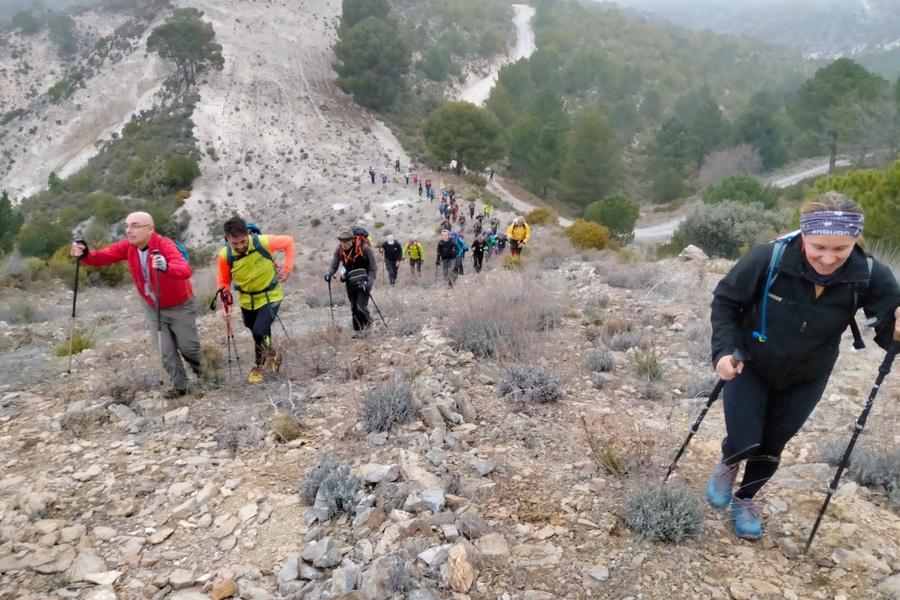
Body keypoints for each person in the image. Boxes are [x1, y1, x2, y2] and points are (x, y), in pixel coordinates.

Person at [705, 192, 900, 541]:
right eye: (819, 247)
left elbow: (888, 335)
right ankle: (729, 461)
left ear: (855, 241)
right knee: (744, 437)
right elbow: (726, 302)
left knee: (772, 446)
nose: (828, 258)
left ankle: (745, 499)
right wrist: (722, 350)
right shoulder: (769, 258)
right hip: (749, 362)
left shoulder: (869, 275)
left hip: (808, 375)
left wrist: (897, 327)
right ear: (804, 235)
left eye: (840, 250)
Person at [71, 212, 201, 398]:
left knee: (189, 348)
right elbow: (101, 257)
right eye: (127, 226)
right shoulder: (129, 247)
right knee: (165, 351)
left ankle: (202, 372)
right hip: (152, 306)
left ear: (150, 229)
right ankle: (181, 386)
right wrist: (85, 254)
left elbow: (185, 269)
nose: (129, 231)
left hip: (180, 305)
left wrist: (166, 266)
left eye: (135, 226)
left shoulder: (165, 245)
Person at [217, 218, 295, 384]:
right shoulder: (225, 255)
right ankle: (273, 355)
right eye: (234, 243)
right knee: (257, 331)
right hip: (246, 300)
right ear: (227, 238)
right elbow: (224, 281)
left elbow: (289, 242)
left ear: (248, 234)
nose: (239, 246)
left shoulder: (263, 242)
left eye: (242, 241)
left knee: (259, 331)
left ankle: (258, 366)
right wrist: (226, 305)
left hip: (270, 296)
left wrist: (287, 269)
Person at [325, 227, 378, 334]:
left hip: (364, 281)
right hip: (350, 281)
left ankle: (368, 326)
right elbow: (334, 264)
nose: (343, 244)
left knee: (361, 307)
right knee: (354, 308)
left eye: (346, 241)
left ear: (352, 239)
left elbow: (373, 267)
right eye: (341, 241)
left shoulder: (364, 248)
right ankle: (358, 331)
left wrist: (370, 283)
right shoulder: (339, 249)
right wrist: (329, 273)